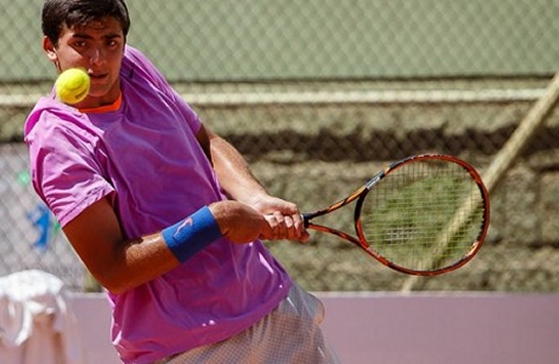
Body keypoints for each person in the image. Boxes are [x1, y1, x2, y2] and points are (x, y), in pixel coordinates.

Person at [24, 0, 341, 363]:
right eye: (81, 43)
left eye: (110, 42)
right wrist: (218, 220)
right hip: (187, 344)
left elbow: (206, 142)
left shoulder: (134, 68)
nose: (98, 60)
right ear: (51, 47)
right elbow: (113, 268)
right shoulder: (57, 142)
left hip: (273, 305)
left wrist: (254, 198)